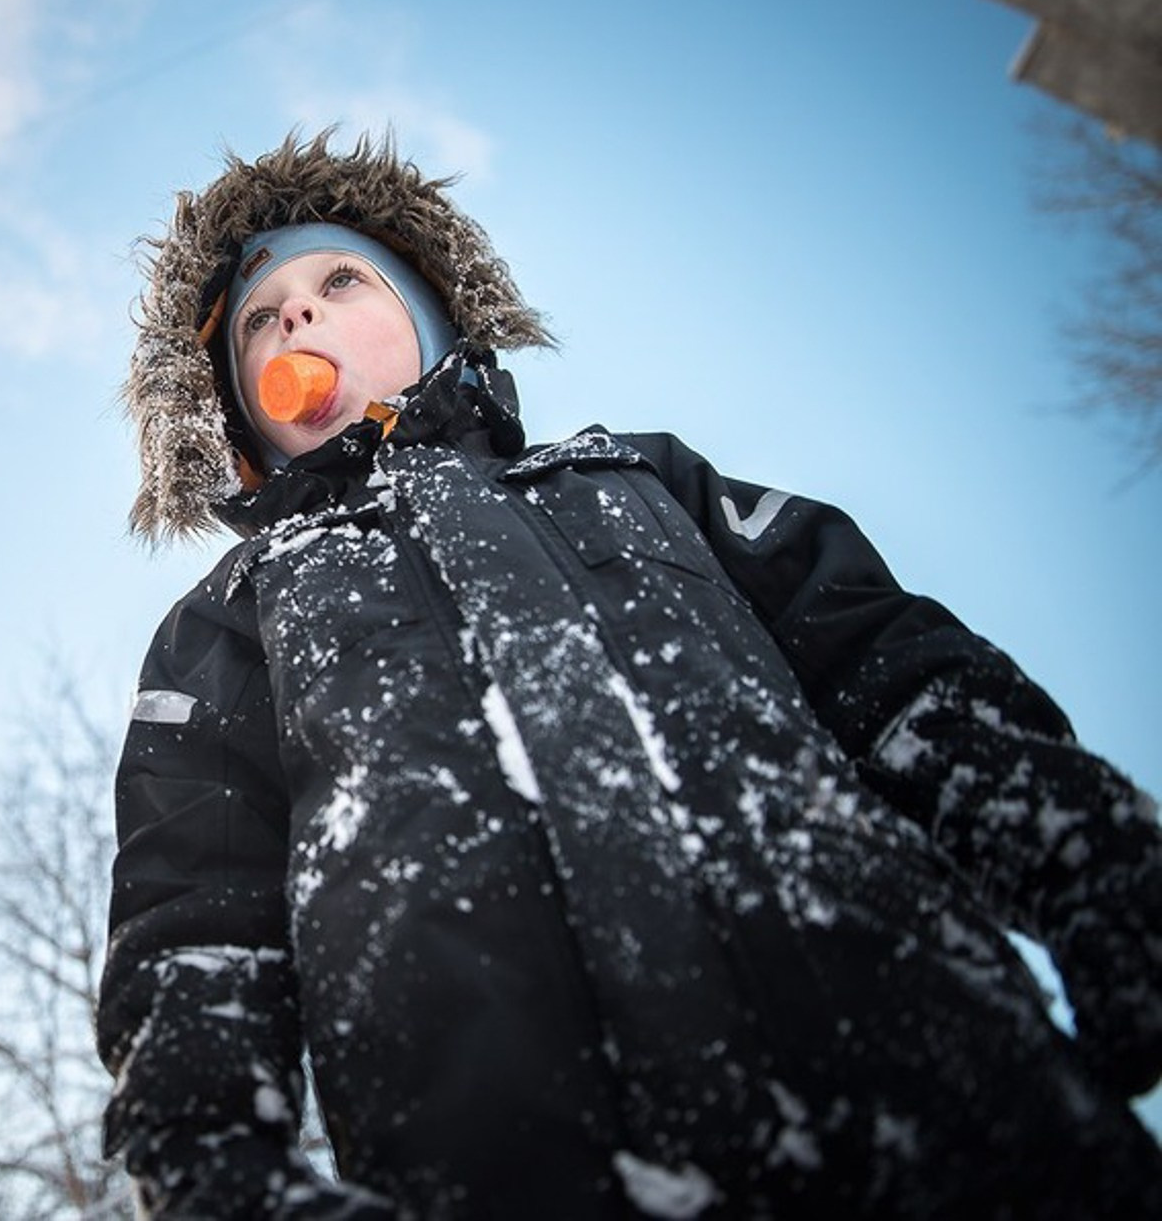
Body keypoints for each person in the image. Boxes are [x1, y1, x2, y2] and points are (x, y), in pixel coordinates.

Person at [95, 129, 1162, 1218]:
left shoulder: (640, 479)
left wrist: (1095, 862)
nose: (298, 319)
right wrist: (216, 1168)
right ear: (239, 421)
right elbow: (193, 915)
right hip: (504, 1166)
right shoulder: (232, 617)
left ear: (431, 318)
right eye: (262, 322)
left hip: (941, 1095)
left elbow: (893, 672)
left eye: (336, 281)